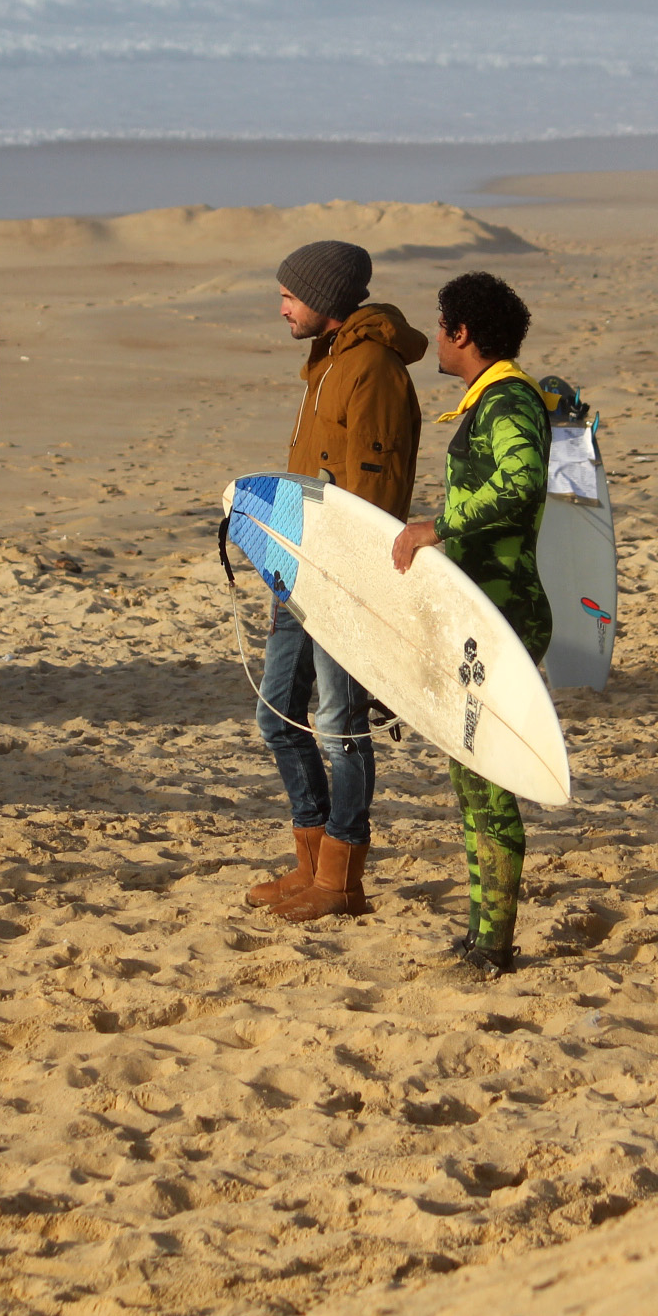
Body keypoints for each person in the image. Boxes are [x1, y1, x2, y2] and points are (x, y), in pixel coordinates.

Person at [246, 241, 427, 924]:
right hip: (298, 569)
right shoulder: (327, 364)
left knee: (338, 725)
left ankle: (341, 878)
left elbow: (372, 499)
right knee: (277, 718)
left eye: (290, 294)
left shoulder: (373, 370)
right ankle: (310, 860)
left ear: (325, 297)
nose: (282, 305)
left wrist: (348, 585)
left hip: (341, 580)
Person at [392, 272, 549, 977]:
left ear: (462, 333)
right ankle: (481, 926)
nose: (437, 335)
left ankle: (496, 942)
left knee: (489, 780)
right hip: (478, 613)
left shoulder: (507, 402)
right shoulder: (494, 400)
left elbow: (521, 483)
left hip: (503, 615)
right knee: (467, 777)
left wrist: (438, 525)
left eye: (442, 322)